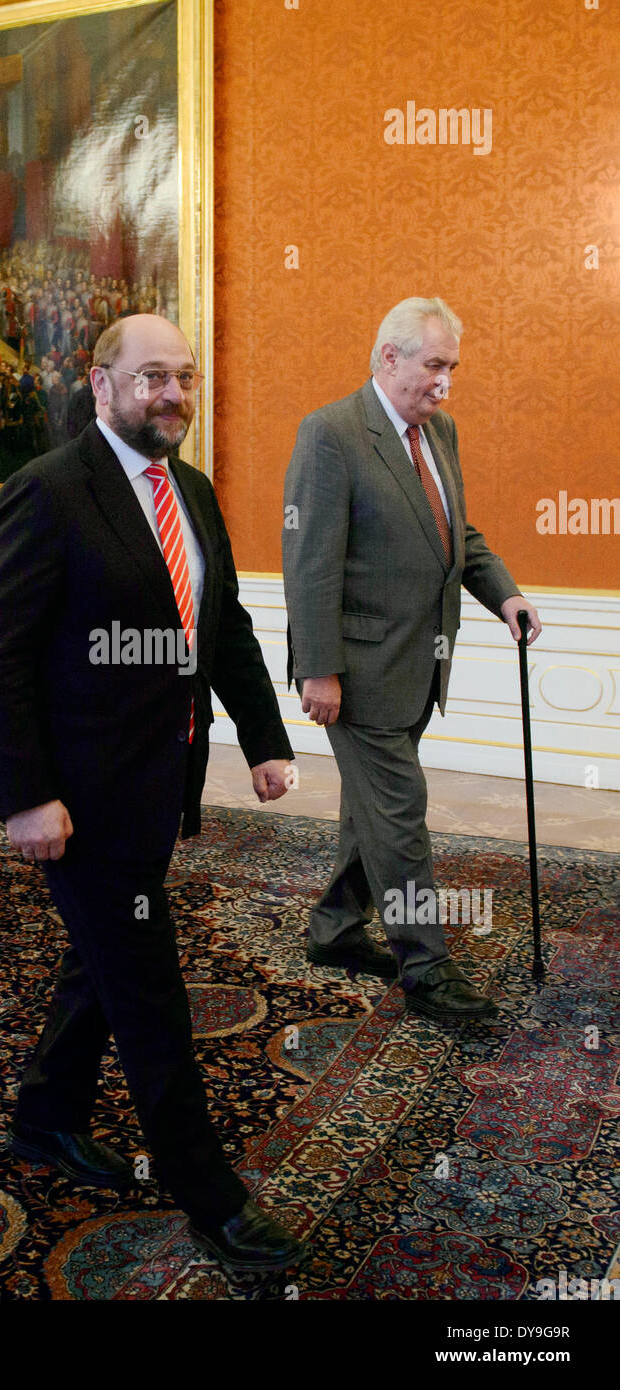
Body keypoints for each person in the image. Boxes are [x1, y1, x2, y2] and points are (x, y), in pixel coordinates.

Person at [0, 314, 304, 1271]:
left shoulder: (188, 490)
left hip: (163, 780)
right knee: (151, 992)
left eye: (185, 377)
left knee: (102, 964)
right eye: (152, 376)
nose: (172, 395)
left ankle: (44, 1116)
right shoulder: (47, 492)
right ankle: (210, 1194)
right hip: (80, 799)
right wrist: (23, 794)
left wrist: (262, 741)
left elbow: (222, 623)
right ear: (100, 381)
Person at [282, 297, 542, 1023]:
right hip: (358, 673)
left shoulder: (439, 432)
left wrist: (505, 595)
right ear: (387, 358)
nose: (444, 383)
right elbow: (308, 563)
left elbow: (454, 532)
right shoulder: (330, 434)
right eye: (433, 365)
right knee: (400, 815)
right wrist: (317, 669)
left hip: (421, 666)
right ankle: (424, 963)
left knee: (370, 811)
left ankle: (333, 930)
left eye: (450, 367)